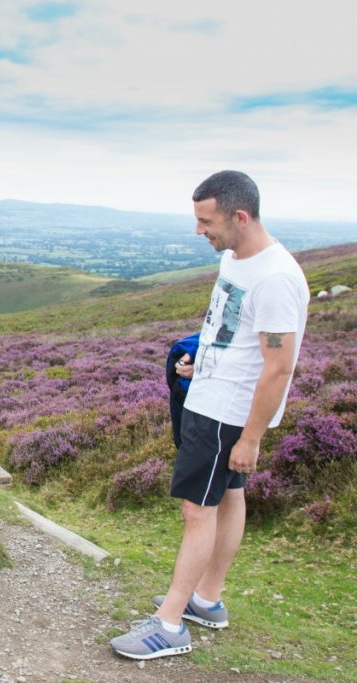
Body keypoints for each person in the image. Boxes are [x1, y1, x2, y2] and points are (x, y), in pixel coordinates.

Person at [111, 171, 309, 660]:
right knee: (227, 499)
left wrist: (252, 438)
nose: (200, 230)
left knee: (196, 511)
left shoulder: (276, 277)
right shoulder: (235, 259)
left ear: (240, 217)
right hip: (209, 396)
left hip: (226, 414)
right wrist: (200, 361)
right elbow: (230, 332)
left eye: (207, 221)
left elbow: (279, 367)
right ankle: (207, 599)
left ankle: (170, 624)